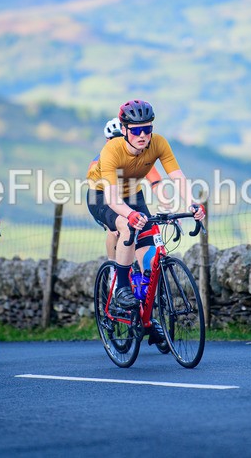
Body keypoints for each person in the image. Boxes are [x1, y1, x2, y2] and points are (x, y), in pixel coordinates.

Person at [87, 100, 206, 348]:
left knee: (149, 258)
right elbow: (111, 198)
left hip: (133, 194)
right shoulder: (112, 150)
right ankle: (120, 286)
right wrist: (129, 216)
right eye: (136, 130)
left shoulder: (158, 143)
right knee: (126, 226)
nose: (143, 135)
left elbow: (176, 177)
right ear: (125, 129)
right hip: (102, 195)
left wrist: (192, 204)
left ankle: (148, 320)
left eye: (147, 129)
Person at [89, 117, 165, 261]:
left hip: (131, 196)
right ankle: (114, 271)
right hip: (104, 198)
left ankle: (145, 274)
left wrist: (166, 204)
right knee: (117, 230)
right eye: (114, 139)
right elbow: (97, 193)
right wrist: (110, 222)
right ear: (107, 142)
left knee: (147, 230)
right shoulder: (99, 161)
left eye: (122, 138)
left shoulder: (139, 157)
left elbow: (155, 181)